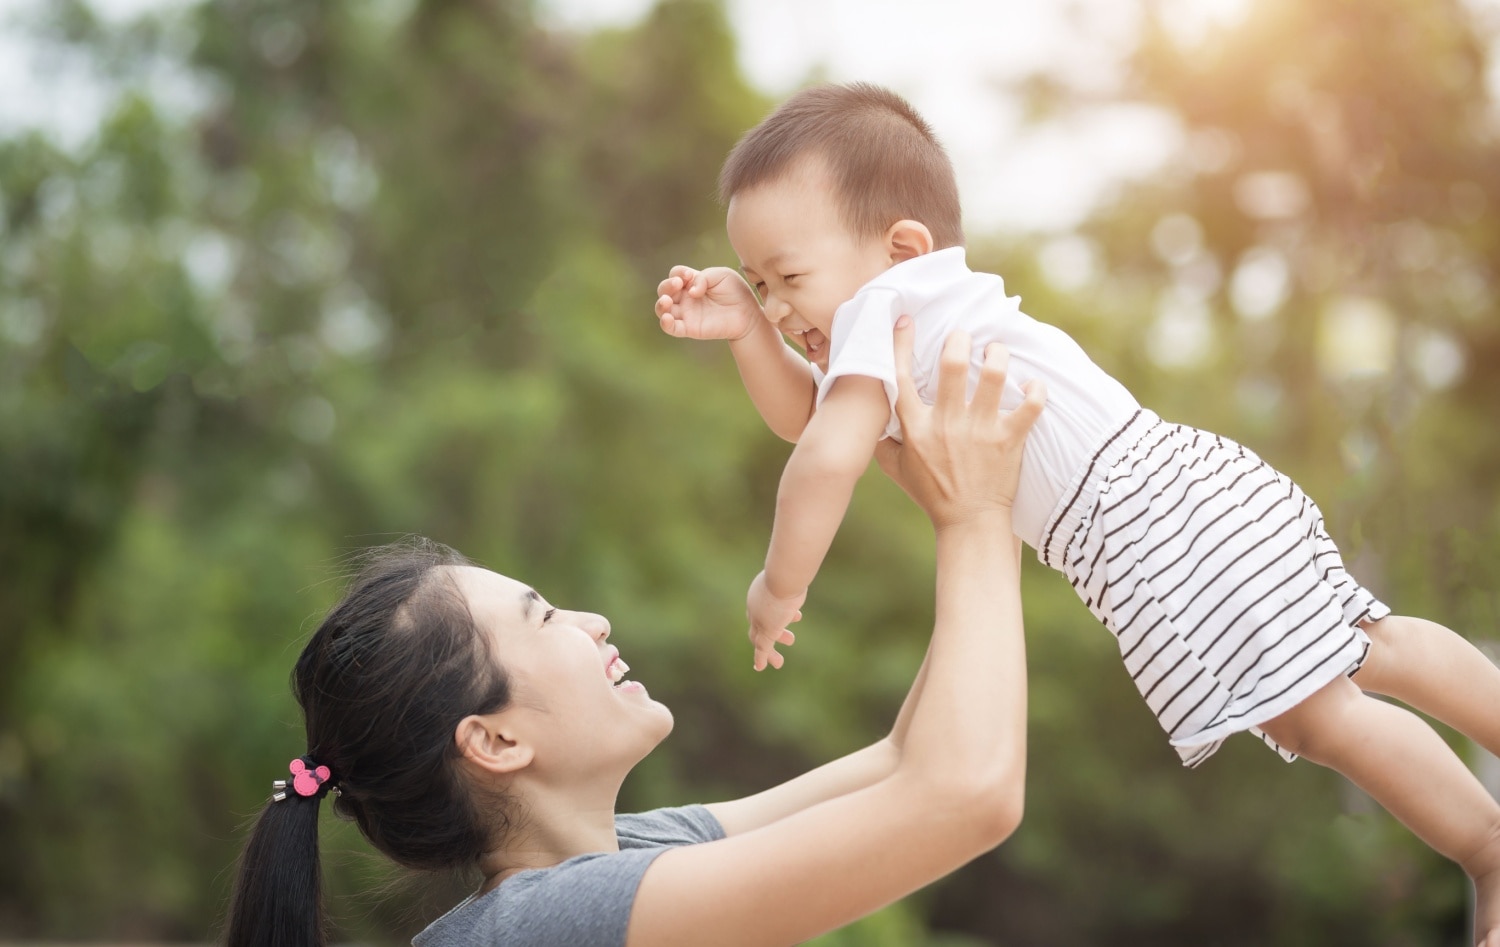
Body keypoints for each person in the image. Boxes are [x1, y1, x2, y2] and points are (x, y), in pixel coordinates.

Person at [653, 81, 1500, 945]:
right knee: (1366, 642)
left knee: (1319, 711)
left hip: (1149, 527)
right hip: (1185, 483)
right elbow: (815, 415)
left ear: (901, 248)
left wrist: (778, 584)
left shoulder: (886, 305)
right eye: (760, 285)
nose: (779, 308)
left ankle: (1488, 852)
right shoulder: (910, 307)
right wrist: (751, 335)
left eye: (788, 279)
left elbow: (825, 452)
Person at [223, 323, 1045, 947]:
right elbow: (964, 793)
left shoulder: (623, 855)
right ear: (495, 739)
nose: (593, 621)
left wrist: (983, 502)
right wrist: (972, 514)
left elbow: (902, 764)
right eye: (545, 616)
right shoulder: (543, 924)